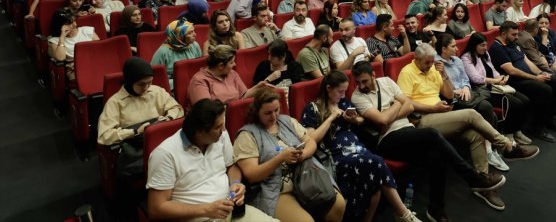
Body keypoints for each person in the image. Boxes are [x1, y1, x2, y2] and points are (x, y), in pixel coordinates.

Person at [351, 61, 505, 222]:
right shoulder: (357, 96)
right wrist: (397, 103)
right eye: (358, 82)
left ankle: (436, 210)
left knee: (436, 158)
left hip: (408, 130)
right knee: (432, 133)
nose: (361, 86)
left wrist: (392, 110)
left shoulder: (387, 82)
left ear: (374, 75)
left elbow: (409, 107)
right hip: (387, 140)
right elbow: (383, 121)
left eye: (365, 81)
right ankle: (472, 177)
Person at [397, 43, 537, 212]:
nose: (430, 65)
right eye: (426, 63)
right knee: (471, 114)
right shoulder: (407, 72)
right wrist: (433, 108)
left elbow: (448, 95)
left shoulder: (434, 68)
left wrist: (444, 75)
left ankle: (482, 184)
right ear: (416, 59)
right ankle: (506, 145)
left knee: (476, 135)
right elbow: (407, 104)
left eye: (431, 62)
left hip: (440, 114)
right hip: (421, 120)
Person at [301, 72, 421, 222]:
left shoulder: (344, 103)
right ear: (328, 88)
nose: (343, 94)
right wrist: (331, 118)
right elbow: (311, 139)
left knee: (374, 182)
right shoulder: (312, 108)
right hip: (336, 154)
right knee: (376, 163)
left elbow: (361, 120)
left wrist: (354, 120)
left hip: (356, 147)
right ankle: (403, 213)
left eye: (345, 90)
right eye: (340, 91)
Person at [147, 98, 276, 222]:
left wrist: (235, 183)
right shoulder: (165, 154)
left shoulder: (220, 136)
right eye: (218, 127)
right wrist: (206, 210)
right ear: (200, 132)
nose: (224, 130)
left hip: (231, 210)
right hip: (199, 218)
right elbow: (157, 209)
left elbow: (231, 166)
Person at [234, 88, 346, 222]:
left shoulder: (287, 121)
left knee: (338, 205)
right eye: (268, 113)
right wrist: (280, 159)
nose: (274, 116)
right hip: (277, 188)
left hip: (306, 176)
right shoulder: (247, 135)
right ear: (257, 112)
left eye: (276, 110)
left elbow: (311, 142)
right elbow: (251, 175)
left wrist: (303, 155)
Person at [434, 34, 513, 172]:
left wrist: (465, 87)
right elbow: (438, 85)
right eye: (453, 46)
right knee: (487, 107)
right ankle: (490, 149)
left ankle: (491, 148)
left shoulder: (457, 60)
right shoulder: (436, 64)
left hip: (467, 94)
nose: (457, 48)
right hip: (452, 98)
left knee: (490, 113)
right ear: (443, 49)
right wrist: (457, 90)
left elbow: (466, 80)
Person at [489, 21, 556, 143]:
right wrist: (535, 78)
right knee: (545, 90)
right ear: (503, 34)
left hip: (529, 76)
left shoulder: (513, 43)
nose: (517, 37)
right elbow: (511, 71)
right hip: (515, 81)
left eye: (517, 34)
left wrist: (540, 73)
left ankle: (550, 118)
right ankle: (537, 127)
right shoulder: (497, 48)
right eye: (513, 34)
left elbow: (527, 61)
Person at [98, 58, 183, 175]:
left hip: (161, 142)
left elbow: (177, 109)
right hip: (137, 149)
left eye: (150, 82)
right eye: (141, 84)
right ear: (129, 81)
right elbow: (104, 135)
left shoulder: (157, 91)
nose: (146, 87)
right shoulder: (115, 102)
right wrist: (135, 132)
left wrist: (168, 119)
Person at [460, 33, 532, 146]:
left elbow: (493, 70)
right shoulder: (466, 57)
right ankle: (509, 134)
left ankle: (517, 131)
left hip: (495, 86)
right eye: (482, 45)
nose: (485, 48)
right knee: (515, 103)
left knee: (524, 100)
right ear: (474, 45)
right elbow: (476, 78)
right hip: (482, 90)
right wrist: (495, 81)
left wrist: (500, 78)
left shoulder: (485, 54)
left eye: (485, 45)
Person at [187, 44, 269, 107]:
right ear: (221, 66)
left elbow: (243, 96)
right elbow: (206, 112)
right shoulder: (199, 81)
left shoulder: (232, 73)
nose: (235, 64)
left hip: (234, 116)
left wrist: (258, 87)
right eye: (231, 62)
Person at [48, 9, 100, 81]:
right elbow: (61, 58)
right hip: (74, 69)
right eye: (69, 23)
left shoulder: (87, 30)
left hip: (92, 61)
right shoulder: (55, 40)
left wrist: (82, 62)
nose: (74, 25)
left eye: (74, 21)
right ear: (60, 26)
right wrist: (62, 36)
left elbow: (99, 50)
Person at [152, 19, 203, 87]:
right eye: (190, 33)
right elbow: (155, 78)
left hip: (195, 83)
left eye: (193, 31)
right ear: (179, 36)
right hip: (173, 87)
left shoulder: (194, 45)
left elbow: (201, 68)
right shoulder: (163, 52)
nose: (195, 34)